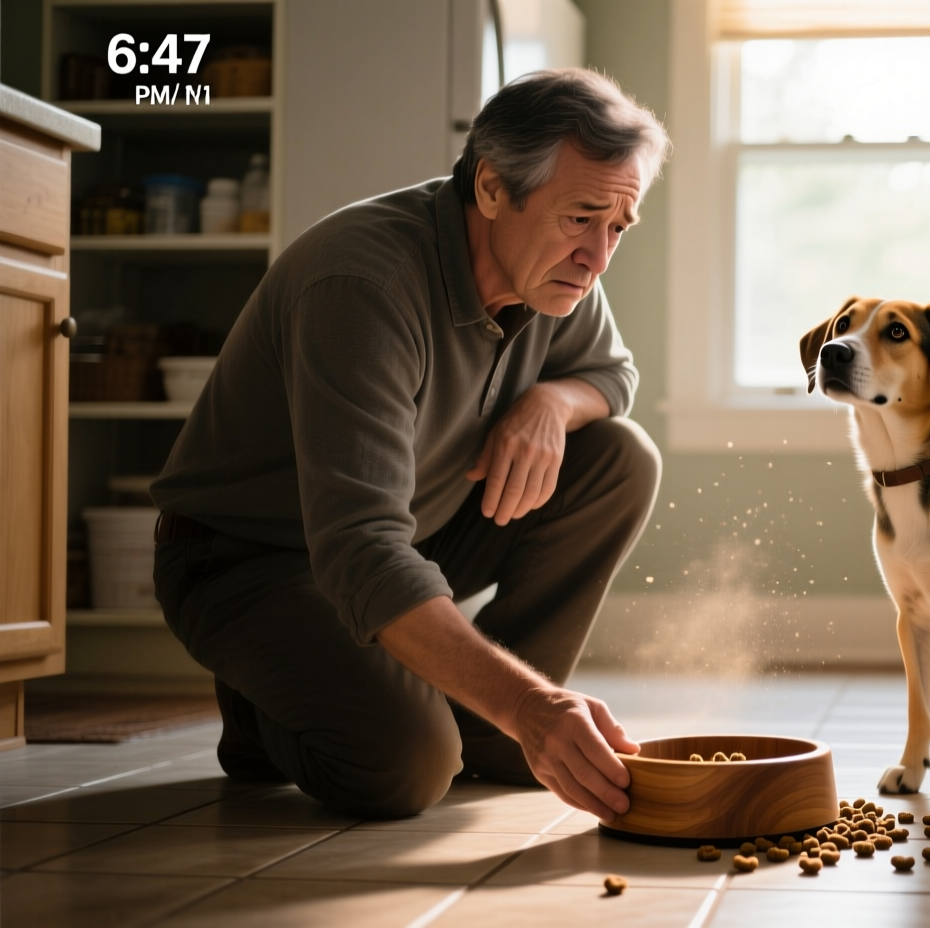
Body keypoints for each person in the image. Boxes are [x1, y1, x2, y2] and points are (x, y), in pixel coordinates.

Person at [149, 69, 668, 821]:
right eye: (581, 218)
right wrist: (531, 703)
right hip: (247, 560)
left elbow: (612, 375)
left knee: (618, 458)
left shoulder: (557, 268)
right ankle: (268, 713)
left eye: (618, 227)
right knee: (407, 768)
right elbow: (360, 548)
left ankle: (487, 729)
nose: (599, 256)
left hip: (410, 532)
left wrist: (552, 403)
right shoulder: (364, 284)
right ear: (492, 189)